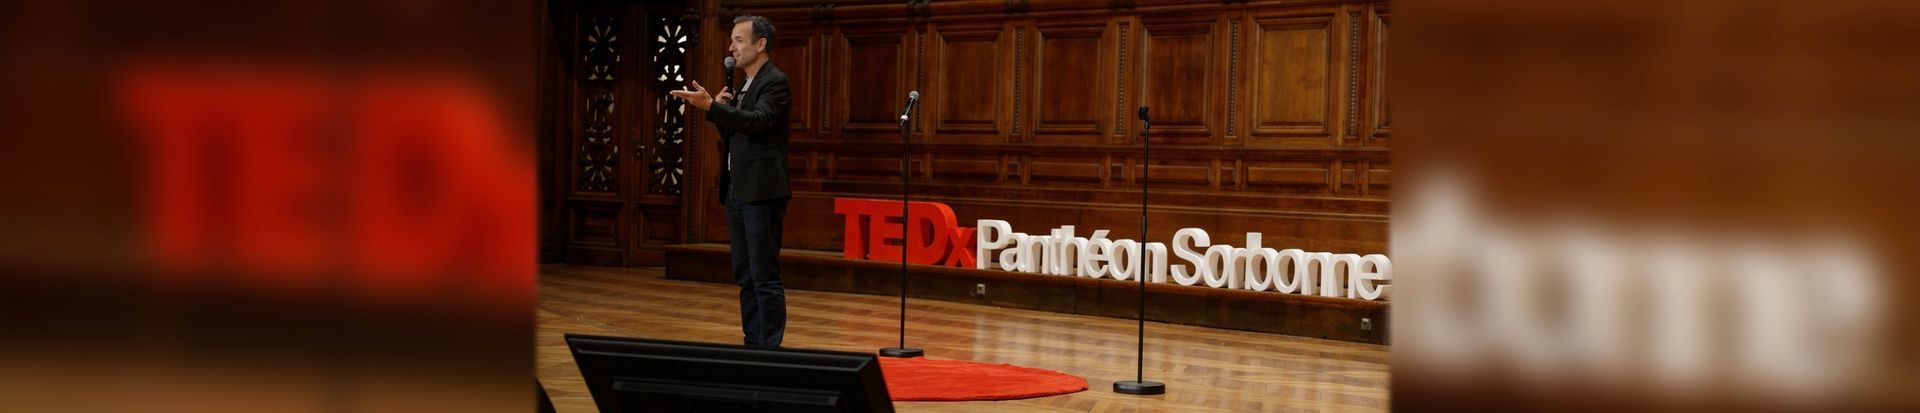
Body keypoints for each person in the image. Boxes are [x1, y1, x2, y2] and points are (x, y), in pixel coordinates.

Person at [670, 14, 792, 348]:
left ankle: (769, 349)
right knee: (745, 274)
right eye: (732, 40)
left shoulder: (775, 81)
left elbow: (760, 122)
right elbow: (739, 136)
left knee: (764, 273)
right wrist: (720, 111)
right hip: (738, 188)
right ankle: (752, 344)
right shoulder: (745, 85)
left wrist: (713, 108)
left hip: (761, 189)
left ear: (760, 44)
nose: (731, 48)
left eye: (739, 40)